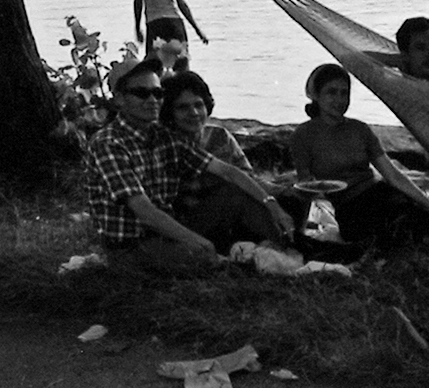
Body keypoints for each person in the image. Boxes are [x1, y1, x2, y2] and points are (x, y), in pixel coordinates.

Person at [84, 59, 292, 270]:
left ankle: (288, 247)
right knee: (206, 257)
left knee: (235, 194)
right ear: (119, 99)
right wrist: (197, 241)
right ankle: (248, 264)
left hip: (172, 230)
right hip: (132, 245)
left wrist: (273, 205)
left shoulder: (164, 136)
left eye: (157, 93)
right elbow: (143, 210)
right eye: (142, 93)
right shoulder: (109, 143)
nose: (152, 100)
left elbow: (229, 172)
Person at [160, 69, 359, 262]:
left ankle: (295, 237)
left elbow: (249, 177)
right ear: (170, 112)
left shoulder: (219, 136)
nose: (194, 113)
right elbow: (232, 176)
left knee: (296, 189)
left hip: (241, 215)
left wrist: (284, 191)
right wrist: (271, 203)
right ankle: (296, 246)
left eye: (198, 105)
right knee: (235, 194)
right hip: (195, 223)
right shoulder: (170, 144)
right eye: (183, 108)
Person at [288, 63, 429, 248]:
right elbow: (305, 185)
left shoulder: (359, 129)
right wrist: (299, 231)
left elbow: (392, 175)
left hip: (378, 193)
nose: (339, 99)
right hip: (348, 207)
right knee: (393, 225)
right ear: (316, 96)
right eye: (331, 92)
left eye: (345, 93)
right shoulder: (303, 135)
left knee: (419, 213)